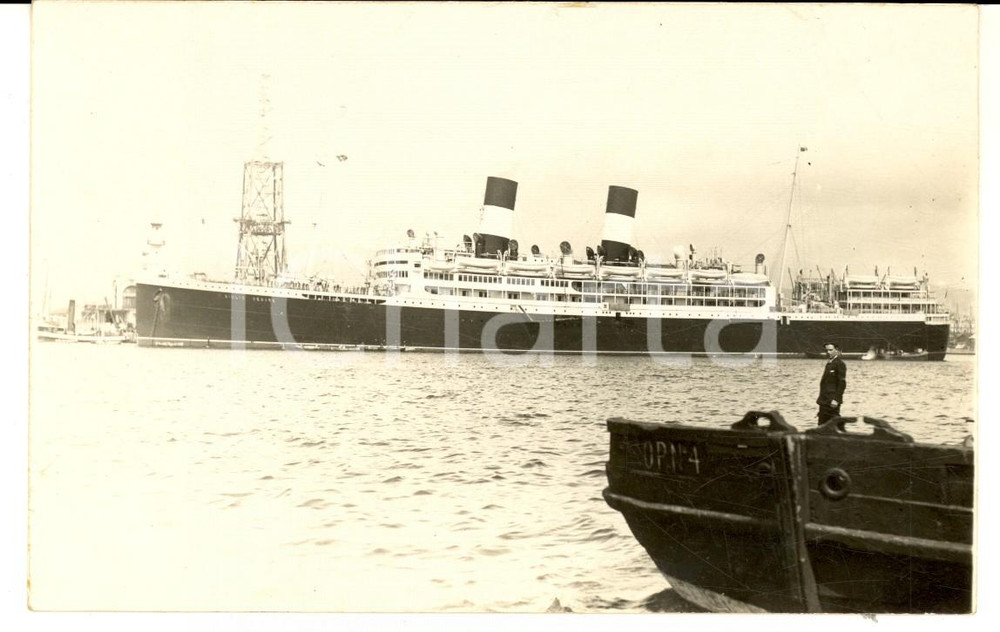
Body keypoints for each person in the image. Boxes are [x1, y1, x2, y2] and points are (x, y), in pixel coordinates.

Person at [816, 342, 847, 425]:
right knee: (822, 424)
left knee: (835, 423)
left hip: (832, 401)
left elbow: (842, 383)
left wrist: (836, 399)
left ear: (837, 350)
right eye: (826, 350)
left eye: (830, 350)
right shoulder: (829, 363)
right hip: (824, 400)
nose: (828, 352)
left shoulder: (840, 364)